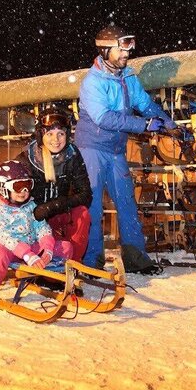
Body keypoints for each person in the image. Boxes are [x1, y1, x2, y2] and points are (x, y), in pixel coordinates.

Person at [74, 25, 177, 273]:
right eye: (122, 49)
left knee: (127, 203)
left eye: (128, 48)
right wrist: (144, 125)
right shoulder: (93, 82)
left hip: (115, 149)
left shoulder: (127, 77)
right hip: (92, 149)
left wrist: (168, 123)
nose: (126, 54)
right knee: (93, 206)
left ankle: (135, 259)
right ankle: (91, 262)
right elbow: (104, 118)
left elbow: (143, 103)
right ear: (106, 49)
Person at [0, 160, 74, 306]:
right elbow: (3, 237)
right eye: (18, 186)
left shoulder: (31, 205)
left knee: (65, 247)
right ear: (3, 187)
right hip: (9, 250)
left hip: (31, 248)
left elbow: (41, 226)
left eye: (28, 186)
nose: (24, 191)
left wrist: (47, 249)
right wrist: (27, 255)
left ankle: (47, 279)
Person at [14, 107, 92, 262]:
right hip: (33, 219)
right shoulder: (27, 159)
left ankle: (73, 265)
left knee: (82, 213)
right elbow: (14, 197)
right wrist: (36, 210)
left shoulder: (73, 155)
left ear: (67, 135)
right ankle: (41, 260)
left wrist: (54, 206)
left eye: (60, 134)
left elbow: (85, 195)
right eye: (49, 134)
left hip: (57, 214)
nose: (56, 140)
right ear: (41, 135)